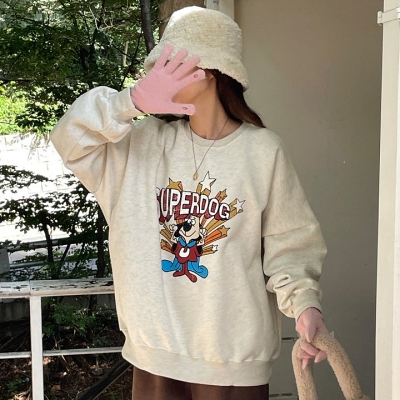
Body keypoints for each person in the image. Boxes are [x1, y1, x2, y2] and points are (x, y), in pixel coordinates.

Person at [51, 6, 329, 400]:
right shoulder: (139, 145)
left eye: (171, 64)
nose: (157, 75)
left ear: (210, 72)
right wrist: (131, 101)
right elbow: (68, 139)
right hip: (154, 356)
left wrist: (305, 305)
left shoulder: (262, 151)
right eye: (157, 67)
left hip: (233, 361)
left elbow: (290, 245)